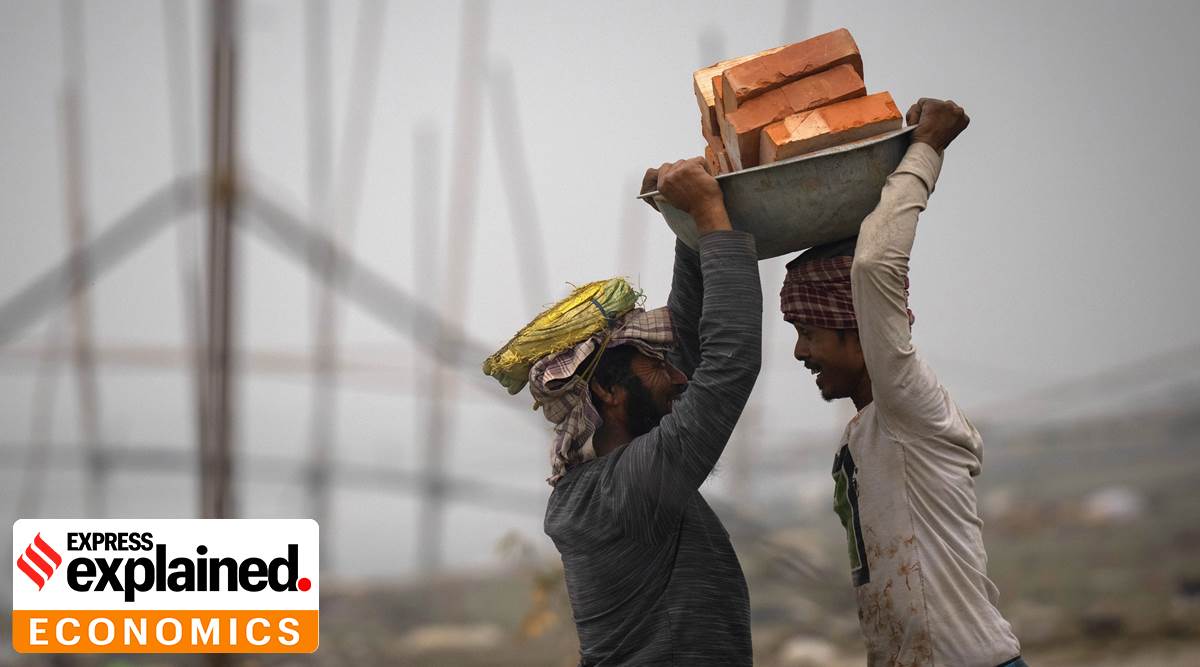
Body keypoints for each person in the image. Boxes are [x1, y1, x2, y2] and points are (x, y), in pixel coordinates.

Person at [780, 98, 1026, 667]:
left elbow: (873, 269)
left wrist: (926, 150)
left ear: (859, 326)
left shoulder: (907, 404)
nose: (799, 351)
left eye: (809, 332)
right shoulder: (859, 435)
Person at [486, 157, 762, 665]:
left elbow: (692, 344)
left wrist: (685, 223)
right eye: (656, 365)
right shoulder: (629, 487)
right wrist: (706, 214)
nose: (679, 376)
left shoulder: (597, 485)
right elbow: (727, 368)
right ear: (609, 392)